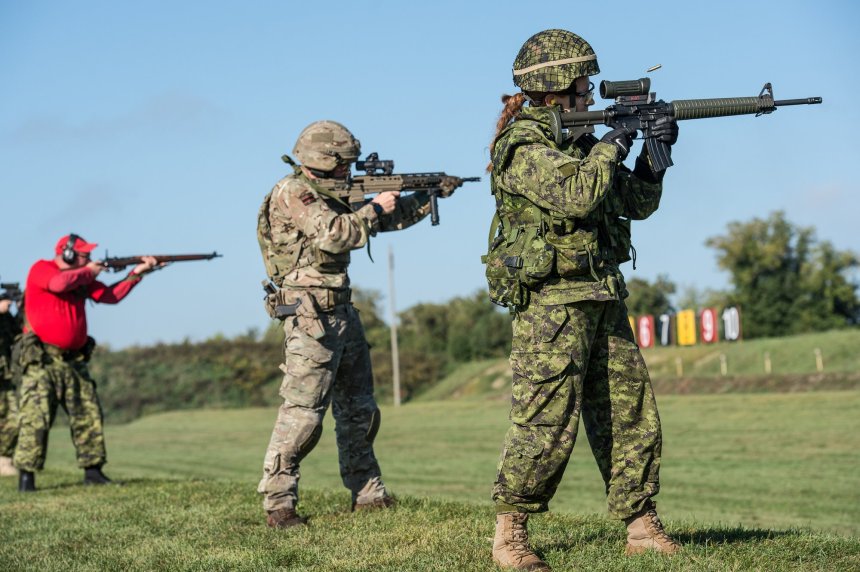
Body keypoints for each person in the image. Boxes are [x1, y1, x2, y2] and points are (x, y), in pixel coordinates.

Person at [484, 29, 681, 570]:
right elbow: (575, 195)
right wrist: (615, 142)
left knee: (629, 412)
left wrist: (655, 155)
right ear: (555, 89)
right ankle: (510, 534)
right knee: (545, 419)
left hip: (601, 292)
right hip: (552, 303)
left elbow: (634, 203)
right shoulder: (523, 146)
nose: (590, 95)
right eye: (583, 87)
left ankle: (641, 524)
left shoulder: (582, 143)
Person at [256, 120, 453, 529]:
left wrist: (426, 197)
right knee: (303, 414)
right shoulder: (294, 192)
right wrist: (375, 206)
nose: (349, 169)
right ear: (323, 160)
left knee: (359, 409)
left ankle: (368, 494)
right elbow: (334, 234)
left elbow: (384, 221)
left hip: (341, 311)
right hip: (310, 317)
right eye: (344, 163)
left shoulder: (332, 193)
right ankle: (279, 503)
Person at [13, 234, 159, 492]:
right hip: (42, 361)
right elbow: (58, 284)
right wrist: (89, 271)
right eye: (84, 254)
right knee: (35, 419)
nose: (89, 258)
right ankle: (27, 478)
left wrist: (137, 273)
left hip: (74, 360)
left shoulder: (82, 278)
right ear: (67, 254)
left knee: (88, 415)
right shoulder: (42, 268)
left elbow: (110, 296)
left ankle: (93, 472)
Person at [0, 294, 22, 477]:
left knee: (13, 418)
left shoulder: (5, 316)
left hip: (4, 377)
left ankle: (4, 460)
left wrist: (21, 310)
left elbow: (17, 334)